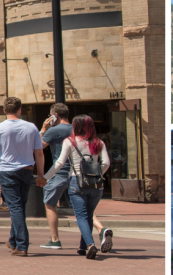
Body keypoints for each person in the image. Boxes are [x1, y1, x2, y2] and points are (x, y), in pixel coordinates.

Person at [39, 104, 112, 251]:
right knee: (87, 213)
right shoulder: (99, 142)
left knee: (70, 211)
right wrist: (97, 175)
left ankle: (73, 242)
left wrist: (45, 177)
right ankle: (91, 239)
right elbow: (106, 163)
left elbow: (56, 160)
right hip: (94, 183)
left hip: (72, 178)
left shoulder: (68, 139)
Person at [0, 97, 44, 256]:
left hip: (7, 172)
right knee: (19, 207)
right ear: (20, 110)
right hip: (27, 170)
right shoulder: (31, 127)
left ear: (5, 110)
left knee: (15, 208)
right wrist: (40, 174)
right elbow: (39, 152)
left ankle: (21, 245)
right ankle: (13, 241)